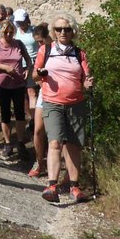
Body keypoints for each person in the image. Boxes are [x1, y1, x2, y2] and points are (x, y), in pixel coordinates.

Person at [35, 14, 94, 203]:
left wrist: (88, 84)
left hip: (76, 103)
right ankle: (52, 186)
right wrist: (40, 74)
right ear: (53, 31)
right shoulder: (46, 50)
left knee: (74, 146)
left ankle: (74, 187)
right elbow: (34, 76)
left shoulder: (79, 53)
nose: (63, 32)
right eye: (59, 29)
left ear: (72, 32)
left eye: (67, 29)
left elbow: (85, 78)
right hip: (52, 102)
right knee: (55, 142)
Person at [0, 19, 31, 159]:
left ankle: (20, 142)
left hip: (18, 83)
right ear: (1, 32)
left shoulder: (18, 44)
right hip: (2, 83)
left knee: (20, 113)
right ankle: (7, 143)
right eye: (6, 32)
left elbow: (28, 59)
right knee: (5, 113)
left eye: (11, 32)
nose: (8, 34)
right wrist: (5, 68)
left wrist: (27, 69)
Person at [27, 23, 51, 178]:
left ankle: (52, 162)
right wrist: (40, 78)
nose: (39, 44)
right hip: (45, 90)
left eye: (41, 41)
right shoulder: (42, 51)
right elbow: (35, 74)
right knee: (38, 129)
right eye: (37, 42)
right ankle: (39, 161)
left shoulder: (58, 50)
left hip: (59, 93)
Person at [10, 9, 39, 122]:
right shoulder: (15, 32)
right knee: (22, 94)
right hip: (18, 64)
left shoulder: (34, 31)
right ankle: (29, 116)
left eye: (22, 21)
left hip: (32, 63)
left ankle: (34, 119)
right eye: (18, 22)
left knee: (31, 91)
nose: (21, 24)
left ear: (27, 19)